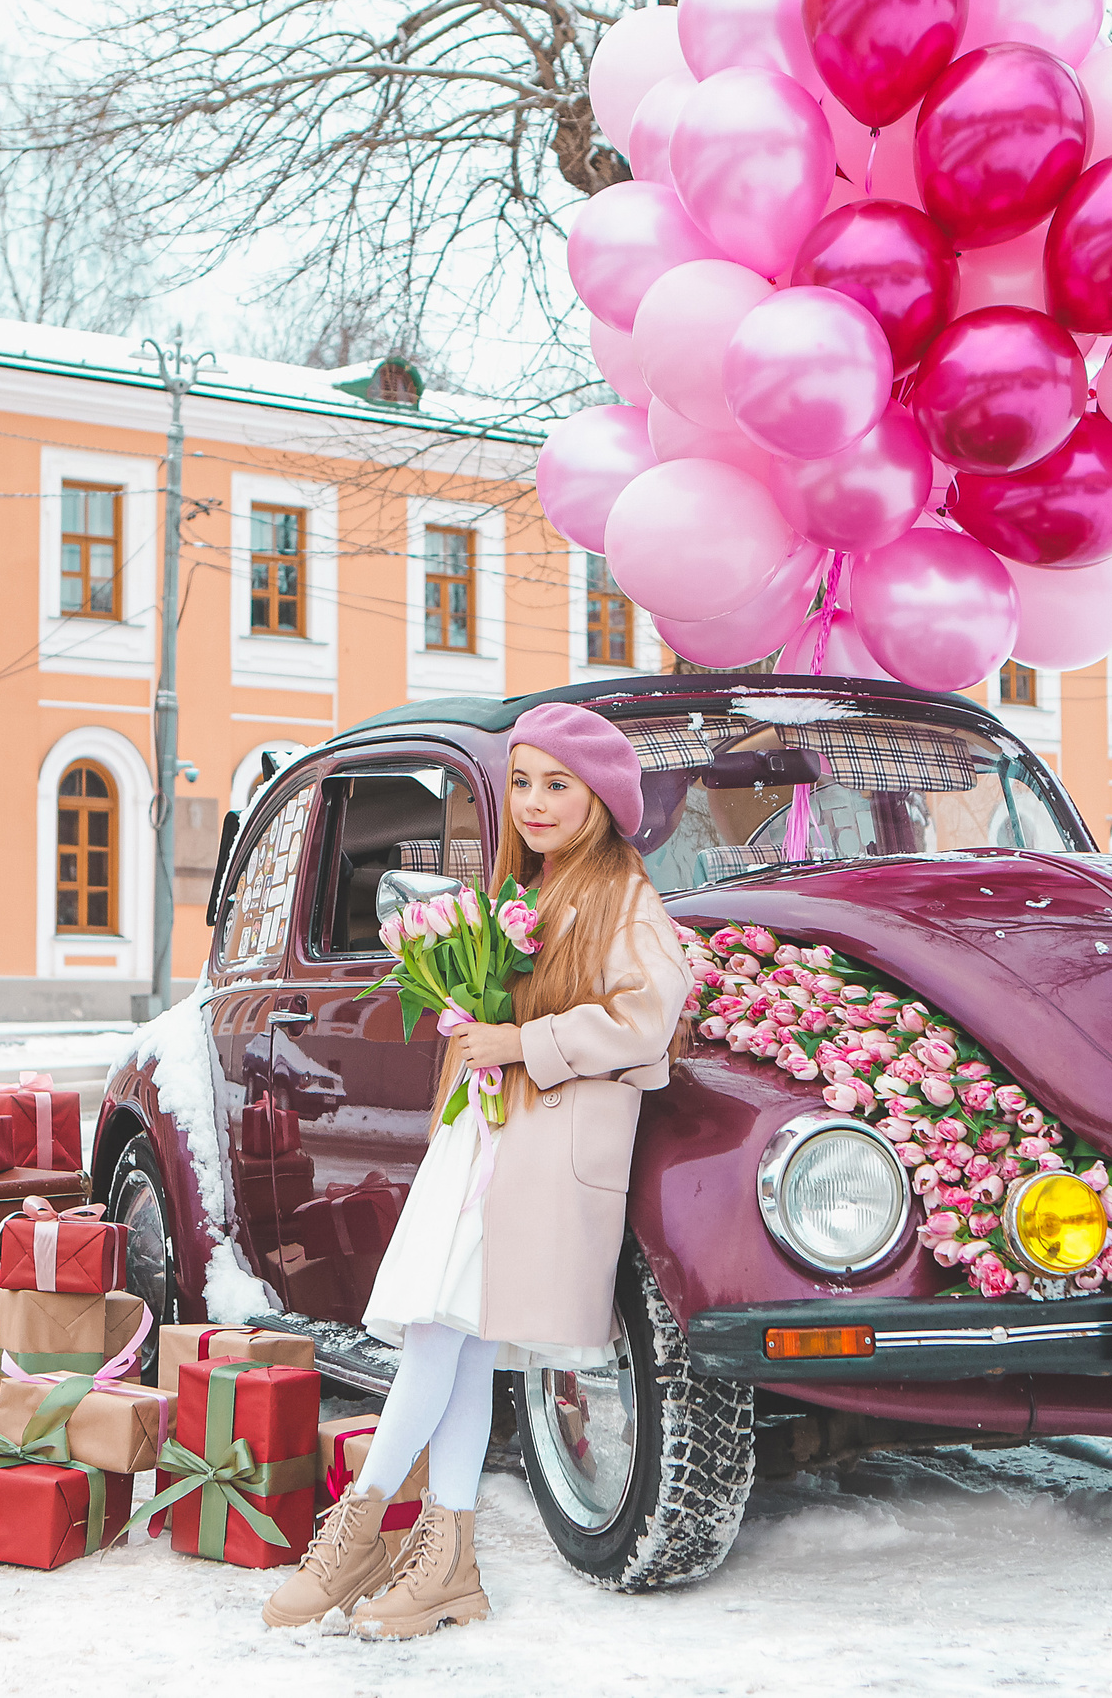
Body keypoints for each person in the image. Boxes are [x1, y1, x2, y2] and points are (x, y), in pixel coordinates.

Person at [262, 701, 690, 1639]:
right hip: (488, 1138)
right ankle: (449, 1557)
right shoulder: (530, 892)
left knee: (439, 1332)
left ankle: (362, 1526)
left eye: (557, 785)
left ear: (602, 801)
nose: (533, 803)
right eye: (522, 782)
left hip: (541, 1145)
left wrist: (519, 1037)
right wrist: (466, 1018)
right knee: (454, 1333)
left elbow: (645, 1021)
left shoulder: (622, 899)